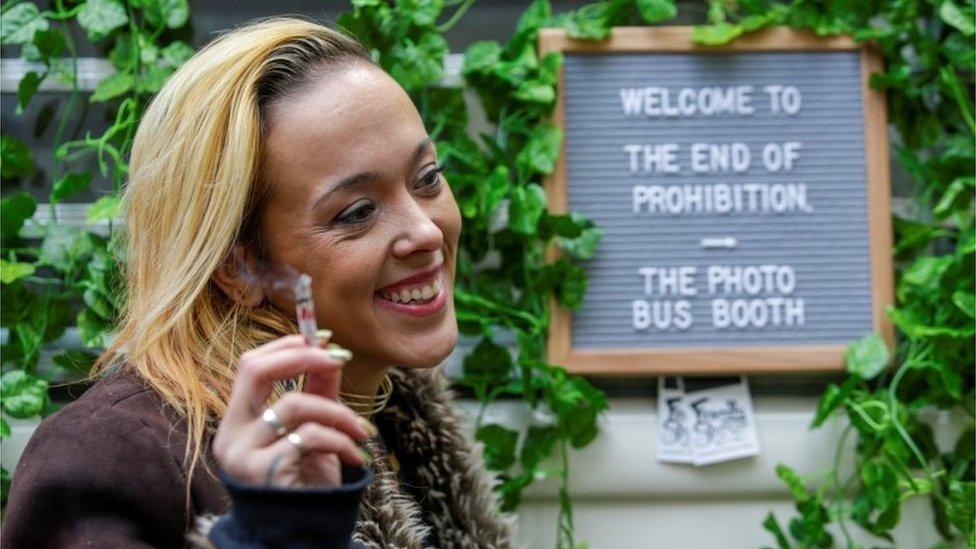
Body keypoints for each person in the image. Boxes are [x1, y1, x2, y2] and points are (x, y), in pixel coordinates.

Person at [2, 17, 514, 548]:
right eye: (358, 212)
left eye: (427, 178)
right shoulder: (109, 456)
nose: (426, 230)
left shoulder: (391, 412)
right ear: (237, 268)